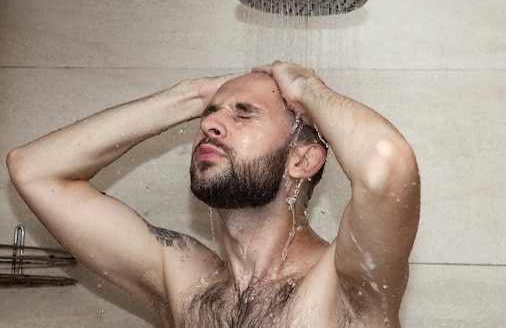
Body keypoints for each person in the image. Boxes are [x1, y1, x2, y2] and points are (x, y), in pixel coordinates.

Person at [6, 61, 420, 327]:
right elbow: (34, 169)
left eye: (244, 113)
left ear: (302, 161)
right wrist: (191, 95)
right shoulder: (187, 283)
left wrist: (306, 89)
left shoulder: (345, 280)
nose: (212, 125)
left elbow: (387, 163)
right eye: (209, 116)